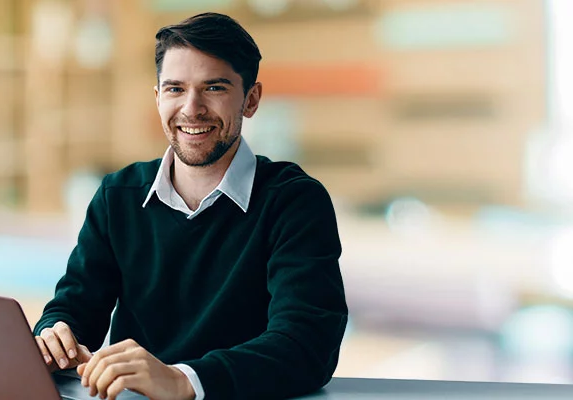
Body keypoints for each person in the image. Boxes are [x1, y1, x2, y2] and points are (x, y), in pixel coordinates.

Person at [31, 13, 347, 400]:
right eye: (175, 89)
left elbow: (308, 345)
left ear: (251, 99)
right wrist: (54, 334)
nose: (191, 108)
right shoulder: (118, 196)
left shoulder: (294, 202)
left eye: (214, 87)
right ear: (158, 97)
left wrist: (184, 380)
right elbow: (74, 309)